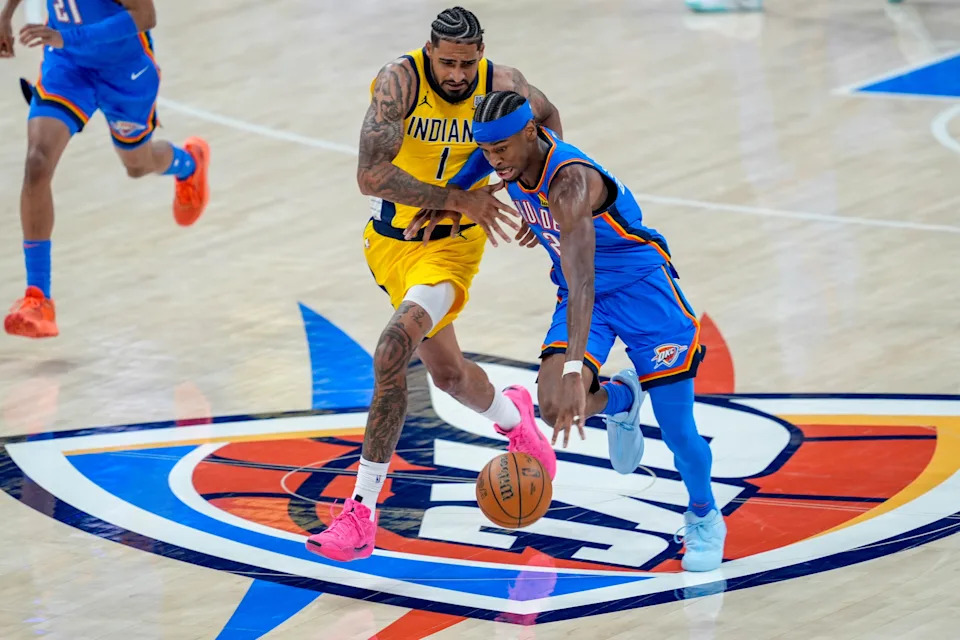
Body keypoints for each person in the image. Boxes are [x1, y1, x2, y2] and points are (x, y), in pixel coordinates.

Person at [305, 7, 562, 562]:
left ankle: (359, 515)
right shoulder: (400, 82)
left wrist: (539, 204)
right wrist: (457, 195)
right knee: (448, 375)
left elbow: (548, 122)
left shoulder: (502, 85)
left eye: (466, 64)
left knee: (392, 350)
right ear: (429, 50)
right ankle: (517, 420)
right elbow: (368, 176)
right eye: (447, 62)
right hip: (389, 244)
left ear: (481, 54)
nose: (457, 75)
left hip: (452, 249)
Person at [468, 90, 726, 572]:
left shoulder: (569, 185)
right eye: (485, 150)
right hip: (583, 296)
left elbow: (584, 277)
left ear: (529, 133)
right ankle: (622, 403)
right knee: (552, 406)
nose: (493, 159)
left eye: (501, 147)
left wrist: (573, 367)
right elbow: (539, 110)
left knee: (678, 431)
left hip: (643, 293)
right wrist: (457, 198)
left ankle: (704, 514)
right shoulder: (513, 157)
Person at [0, 0, 210, 339]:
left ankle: (189, 162)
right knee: (37, 163)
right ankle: (38, 299)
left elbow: (145, 16)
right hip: (67, 67)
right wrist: (6, 15)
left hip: (124, 71)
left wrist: (67, 37)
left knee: (137, 165)